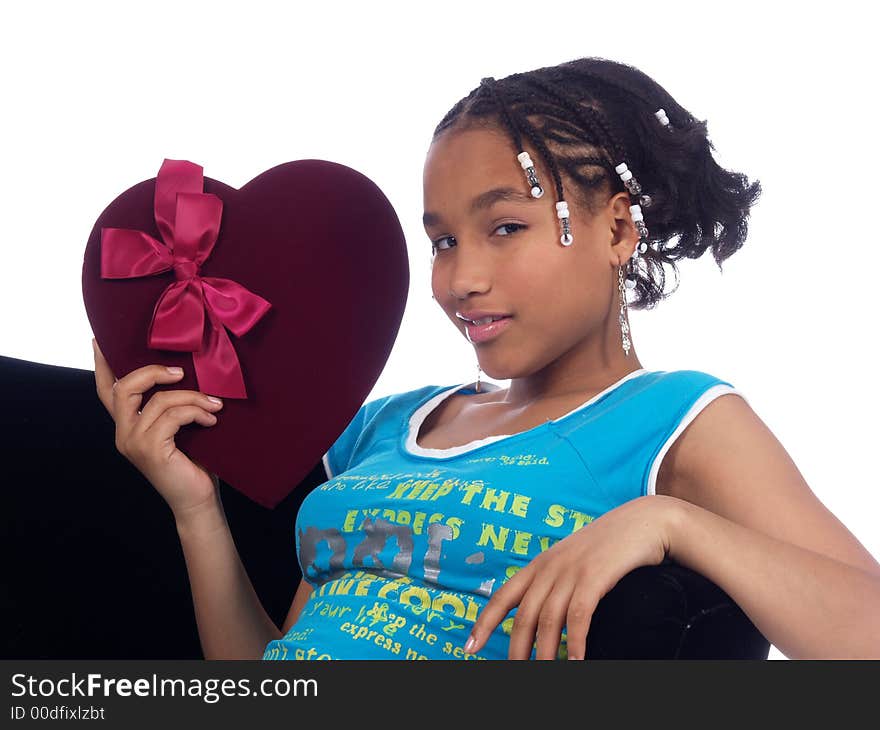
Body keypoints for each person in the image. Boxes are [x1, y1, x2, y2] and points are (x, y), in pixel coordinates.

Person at [92, 56, 880, 660]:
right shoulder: (384, 427)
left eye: (505, 227)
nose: (460, 280)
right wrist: (195, 509)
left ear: (615, 231)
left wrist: (670, 521)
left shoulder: (677, 420)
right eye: (442, 241)